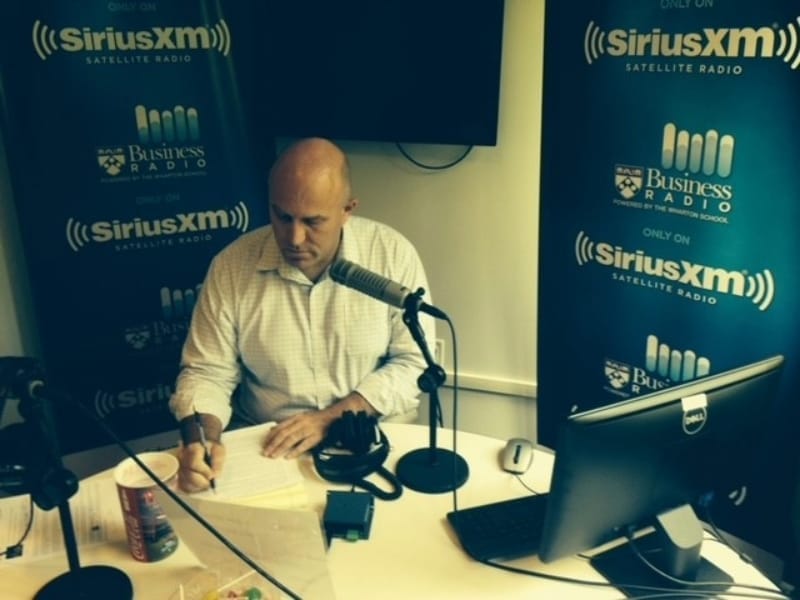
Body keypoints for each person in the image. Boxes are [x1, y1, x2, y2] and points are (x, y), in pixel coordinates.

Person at [169, 137, 435, 493]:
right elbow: (206, 372)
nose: (294, 237)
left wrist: (329, 419)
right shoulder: (231, 266)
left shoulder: (391, 253)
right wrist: (201, 439)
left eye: (313, 221)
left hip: (374, 438)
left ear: (348, 209)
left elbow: (414, 362)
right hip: (271, 446)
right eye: (282, 216)